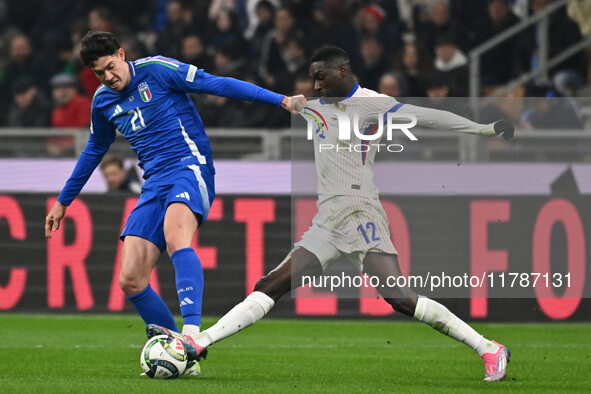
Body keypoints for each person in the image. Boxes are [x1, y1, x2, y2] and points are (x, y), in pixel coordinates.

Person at [148, 46, 514, 382]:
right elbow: (268, 98)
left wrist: (482, 130)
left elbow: (428, 117)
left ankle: (489, 348)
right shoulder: (313, 106)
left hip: (360, 211)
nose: (316, 84)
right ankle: (198, 343)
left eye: (321, 76)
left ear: (343, 70)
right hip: (327, 220)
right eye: (312, 78)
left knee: (399, 298)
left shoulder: (373, 104)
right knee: (270, 285)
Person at [44, 31, 302, 377]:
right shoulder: (103, 101)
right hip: (153, 183)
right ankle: (180, 355)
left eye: (110, 67)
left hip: (188, 166)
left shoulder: (159, 69)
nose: (108, 78)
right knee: (131, 279)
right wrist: (63, 201)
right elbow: (94, 150)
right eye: (98, 74)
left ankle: (191, 339)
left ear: (122, 54)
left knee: (176, 236)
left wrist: (280, 100)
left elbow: (219, 84)